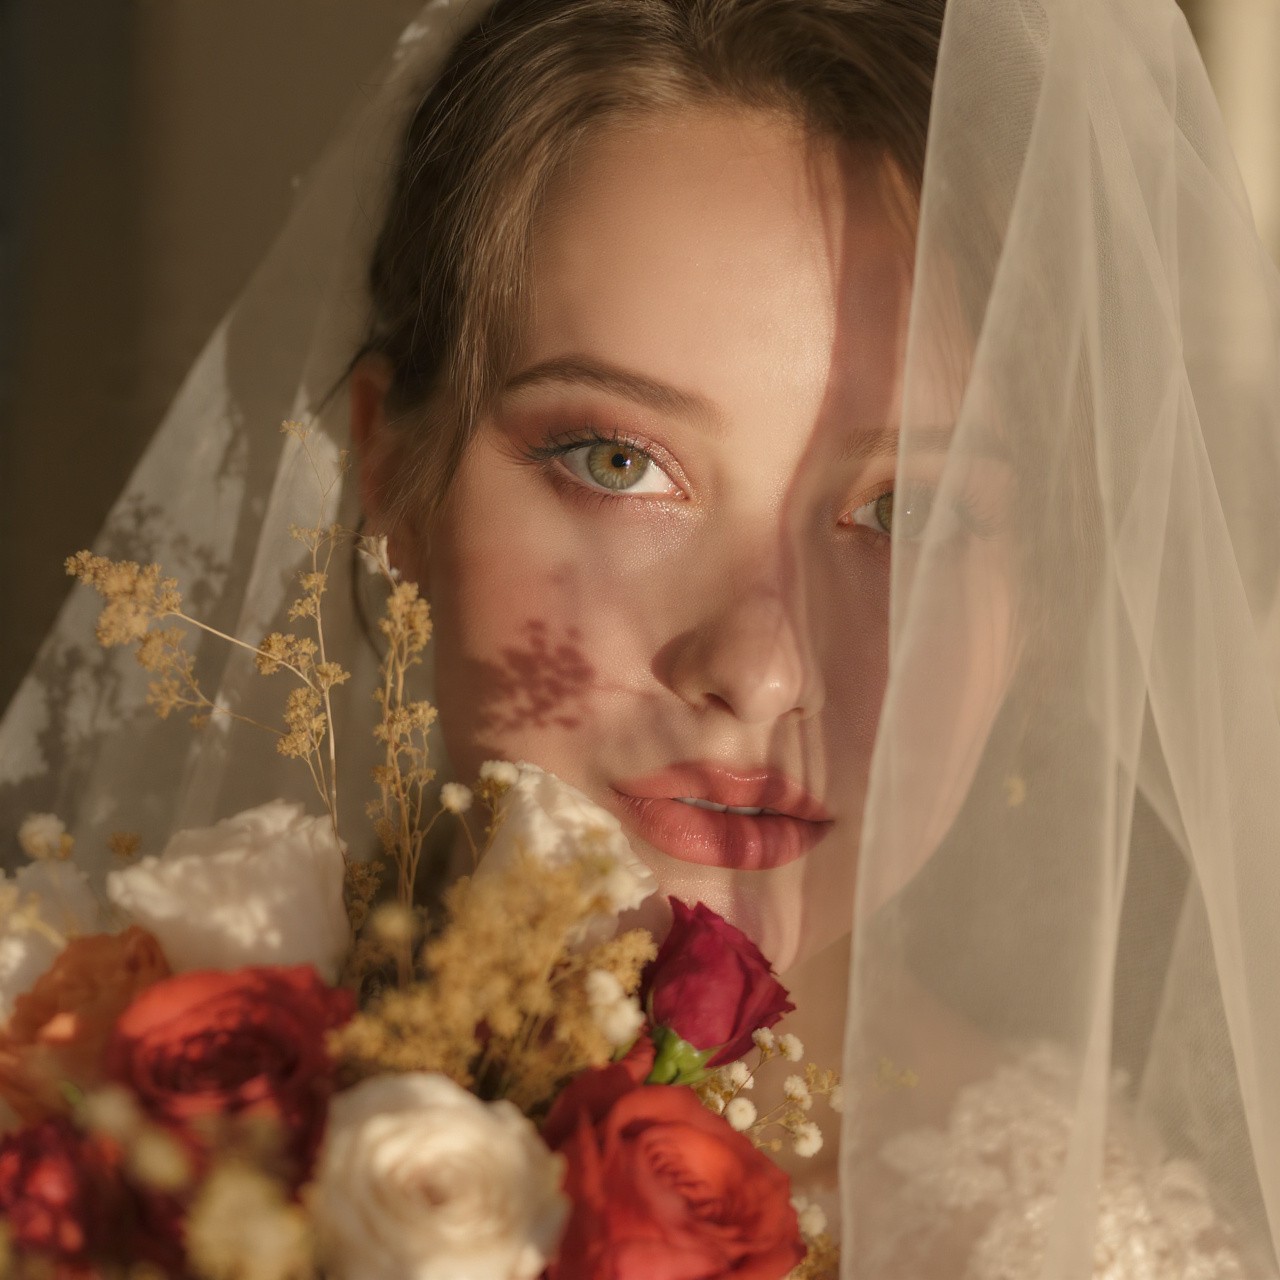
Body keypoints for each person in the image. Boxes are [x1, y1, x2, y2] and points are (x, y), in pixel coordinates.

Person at [3, 0, 1279, 1274]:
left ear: (1043, 586)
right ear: (392, 472)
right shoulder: (70, 1111)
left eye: (911, 512)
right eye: (616, 461)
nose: (758, 667)